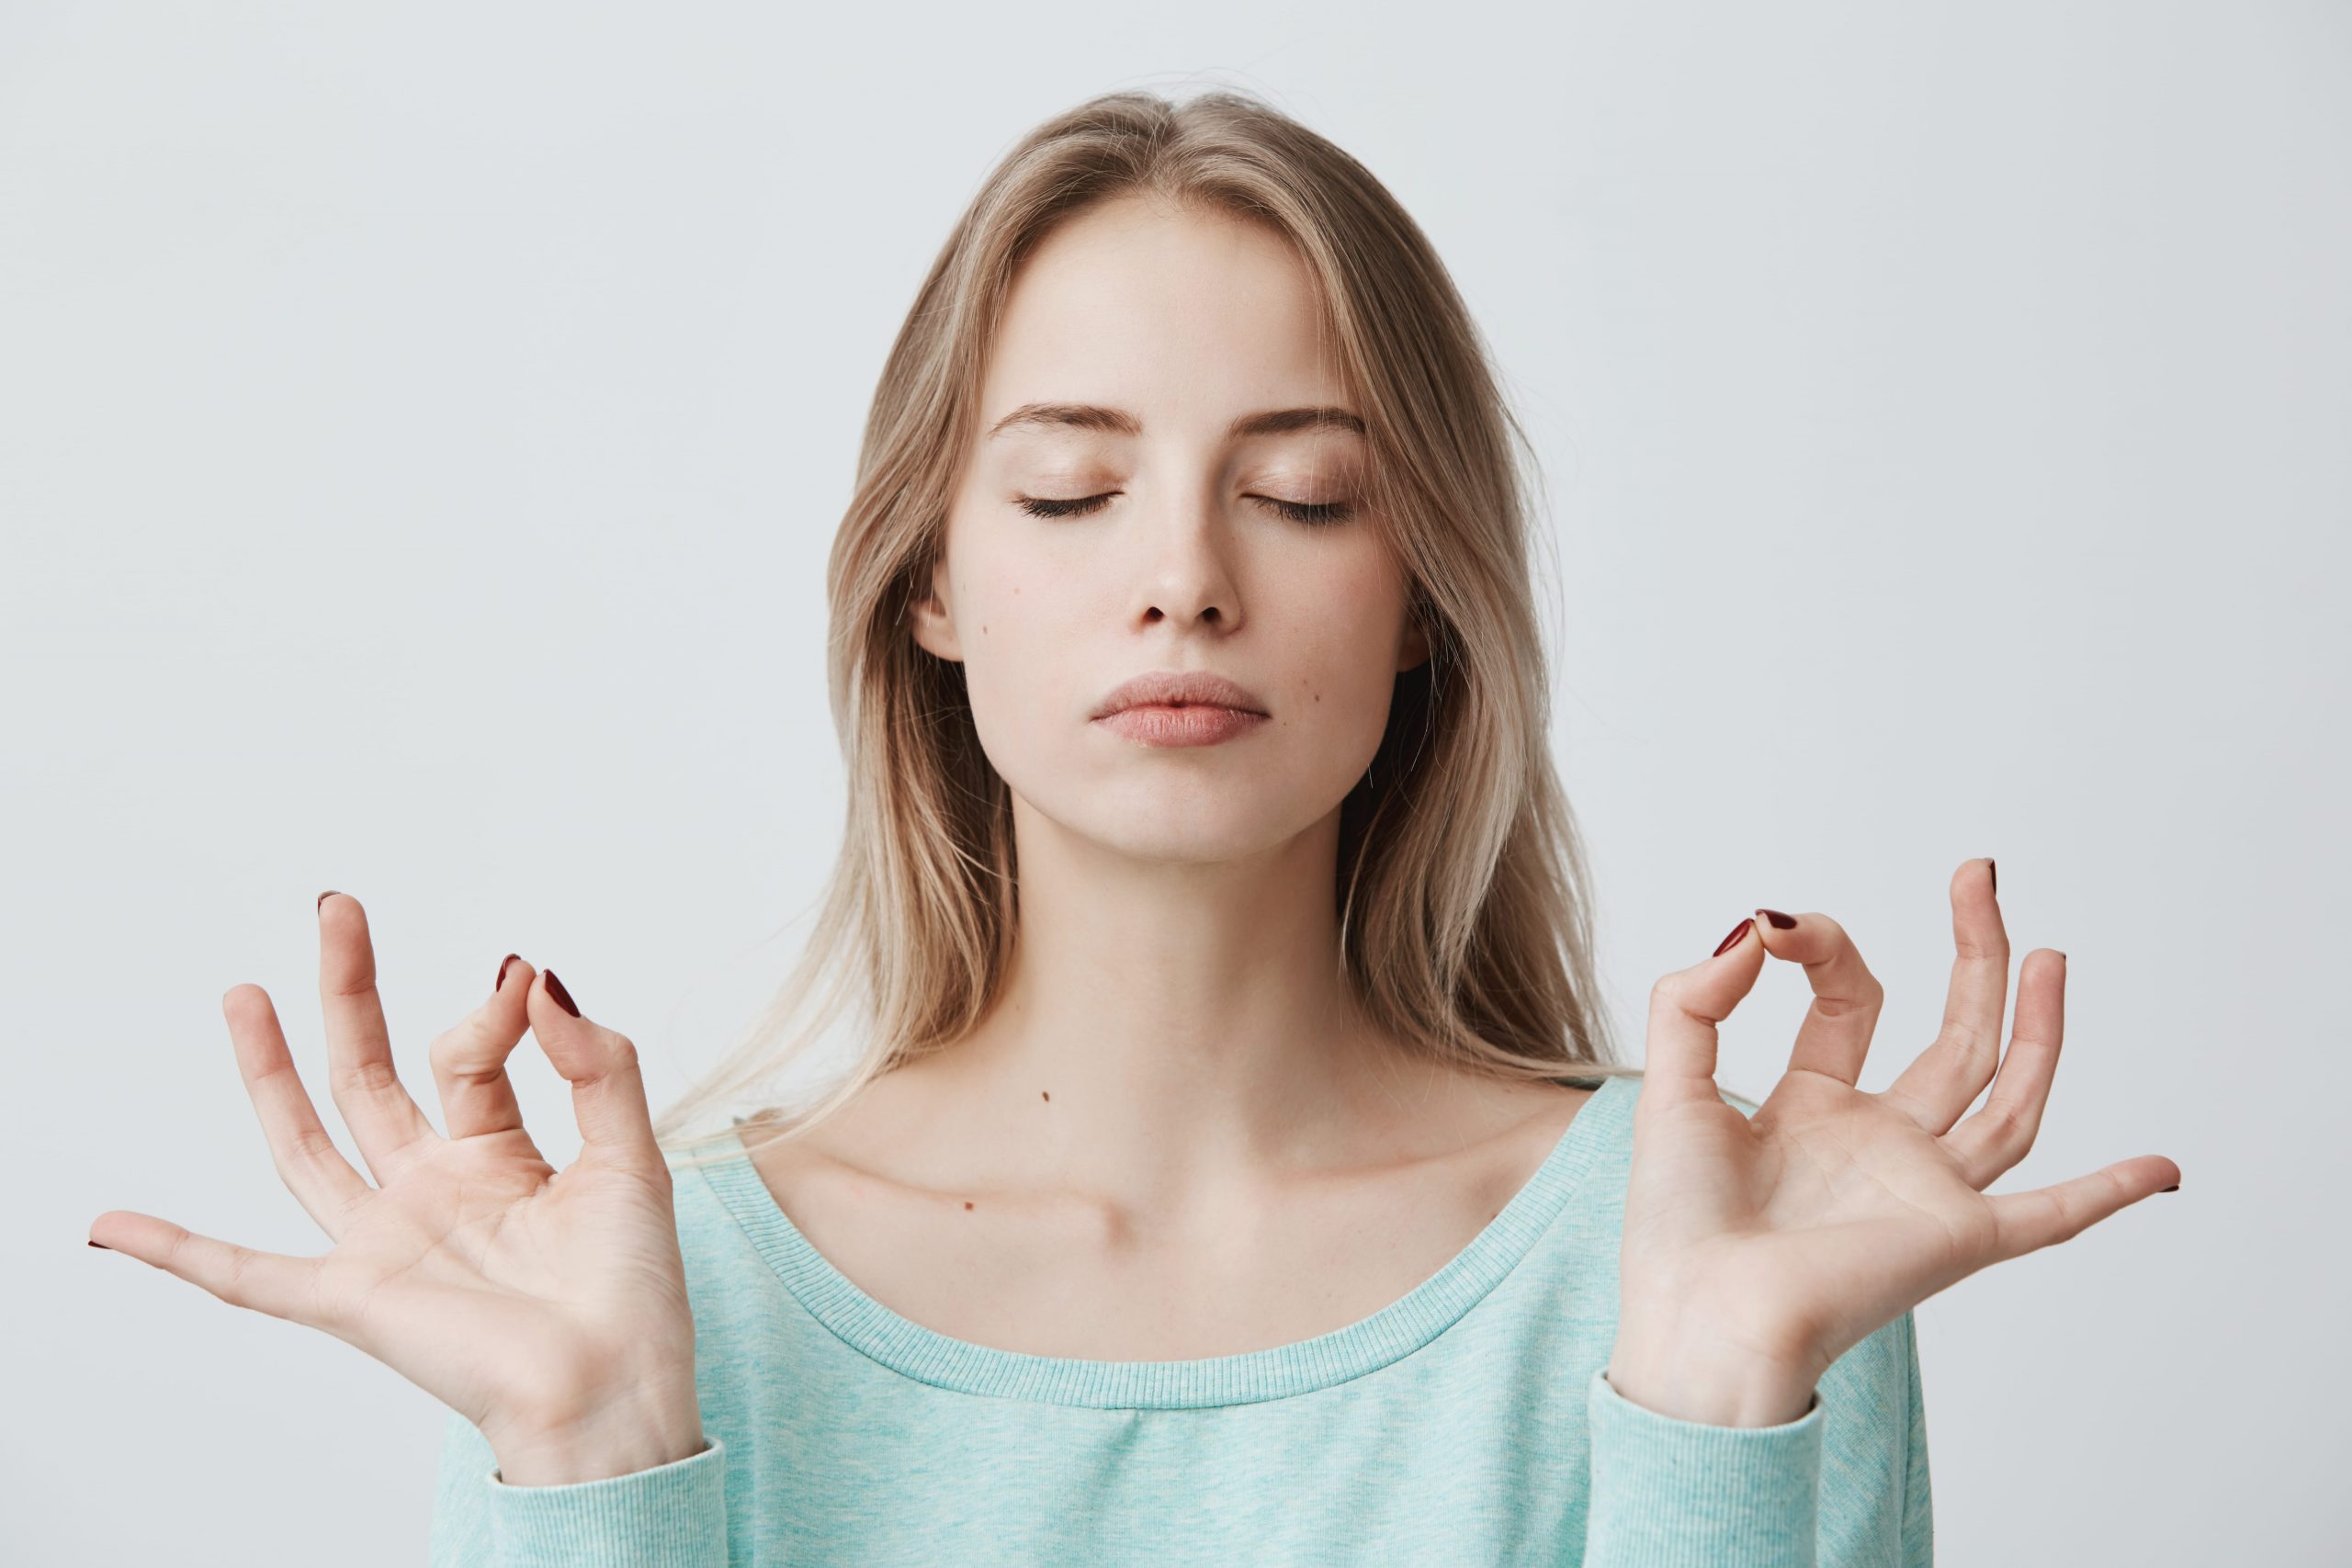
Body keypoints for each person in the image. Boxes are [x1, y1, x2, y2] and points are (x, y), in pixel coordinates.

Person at [87, 87, 2178, 1566]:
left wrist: (1716, 1405)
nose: (1180, 574)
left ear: (1428, 592)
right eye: (1071, 490)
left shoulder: (1721, 1232)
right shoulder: (644, 1281)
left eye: (1301, 491)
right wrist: (588, 1461)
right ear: (929, 584)